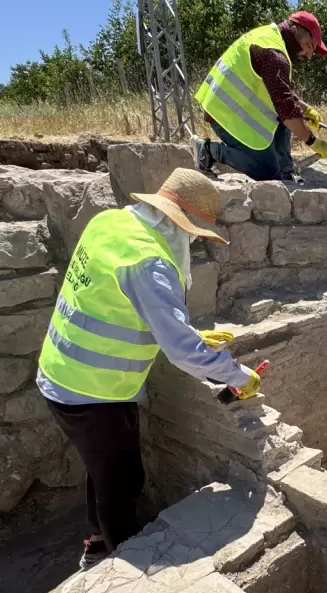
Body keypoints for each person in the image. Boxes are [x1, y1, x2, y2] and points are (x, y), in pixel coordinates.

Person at [37, 167, 261, 570]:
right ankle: (120, 558)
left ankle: (95, 539)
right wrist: (239, 376)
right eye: (193, 232)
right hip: (91, 388)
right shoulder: (150, 262)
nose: (192, 240)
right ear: (178, 223)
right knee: (120, 482)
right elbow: (181, 353)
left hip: (65, 368)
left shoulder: (111, 222)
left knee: (105, 467)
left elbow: (114, 300)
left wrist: (184, 332)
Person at [191, 10, 327, 182]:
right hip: (224, 113)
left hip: (236, 106)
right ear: (294, 31)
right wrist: (312, 141)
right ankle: (208, 151)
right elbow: (287, 110)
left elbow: (279, 90)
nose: (309, 55)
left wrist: (306, 109)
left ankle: (286, 170)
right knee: (266, 170)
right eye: (310, 46)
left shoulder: (271, 37)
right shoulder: (275, 55)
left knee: (285, 120)